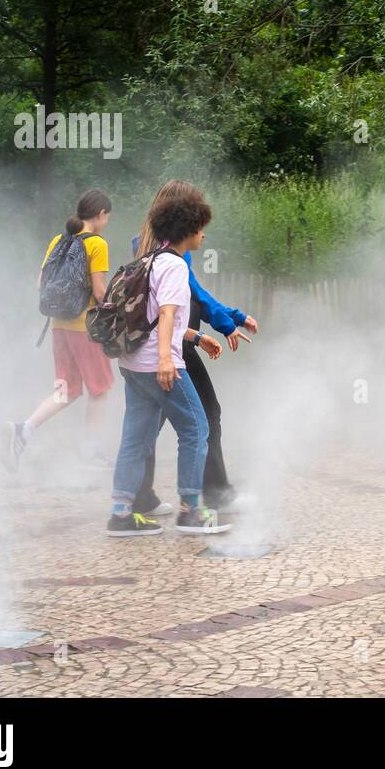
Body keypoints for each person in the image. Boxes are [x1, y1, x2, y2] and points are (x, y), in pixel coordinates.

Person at [128, 180, 258, 516]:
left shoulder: (144, 245)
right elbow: (197, 296)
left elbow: (196, 294)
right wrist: (228, 322)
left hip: (158, 345)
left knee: (148, 424)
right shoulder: (173, 255)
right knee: (206, 417)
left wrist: (233, 316)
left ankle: (137, 500)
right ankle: (211, 495)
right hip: (173, 347)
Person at [107, 191, 230, 536]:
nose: (203, 235)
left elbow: (154, 318)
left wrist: (195, 337)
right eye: (200, 228)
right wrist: (166, 359)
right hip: (158, 365)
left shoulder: (150, 260)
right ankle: (191, 511)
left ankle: (121, 513)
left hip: (132, 364)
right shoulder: (175, 265)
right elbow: (165, 314)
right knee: (196, 428)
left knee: (136, 437)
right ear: (187, 229)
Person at [4, 189, 114, 471]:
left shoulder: (59, 239)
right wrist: (118, 310)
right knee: (100, 389)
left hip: (58, 326)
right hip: (86, 328)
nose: (107, 222)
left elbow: (41, 283)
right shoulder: (97, 244)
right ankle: (89, 452)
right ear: (101, 214)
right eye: (107, 217)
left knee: (67, 390)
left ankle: (24, 430)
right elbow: (101, 292)